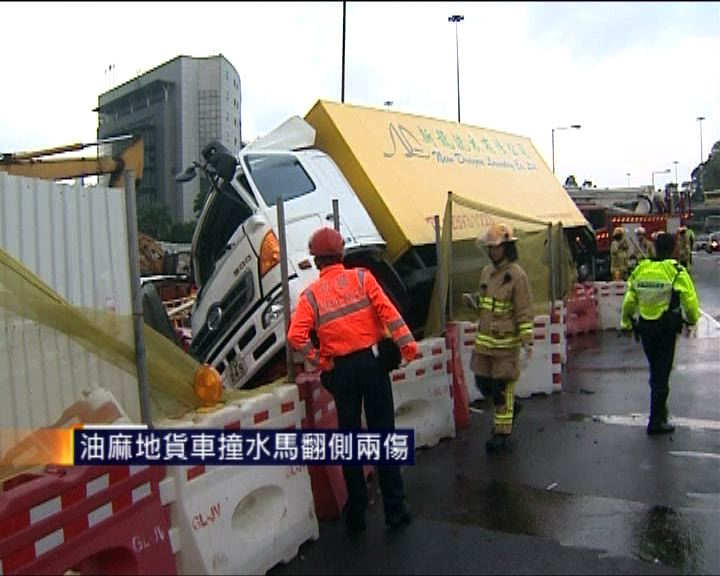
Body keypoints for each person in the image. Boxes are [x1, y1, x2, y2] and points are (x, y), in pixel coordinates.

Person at [287, 227, 418, 532]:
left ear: (317, 261)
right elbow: (389, 313)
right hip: (372, 364)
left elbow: (296, 336)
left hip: (341, 372)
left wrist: (322, 362)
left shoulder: (311, 296)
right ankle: (395, 509)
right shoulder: (362, 278)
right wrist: (408, 347)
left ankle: (356, 512)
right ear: (341, 253)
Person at [620, 232, 699, 435]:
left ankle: (661, 413)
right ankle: (656, 421)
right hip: (665, 329)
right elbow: (689, 301)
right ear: (673, 249)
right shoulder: (675, 271)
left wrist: (626, 322)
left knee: (655, 370)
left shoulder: (641, 269)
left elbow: (629, 300)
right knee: (662, 374)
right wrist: (691, 320)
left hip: (645, 328)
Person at [468, 223, 534, 454]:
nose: (493, 252)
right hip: (484, 343)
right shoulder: (486, 272)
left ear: (507, 247)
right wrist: (475, 301)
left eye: (497, 248)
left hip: (506, 345)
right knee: (482, 383)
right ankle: (511, 409)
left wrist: (527, 340)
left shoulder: (517, 276)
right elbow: (486, 301)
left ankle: (501, 433)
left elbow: (524, 310)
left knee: (502, 389)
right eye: (491, 248)